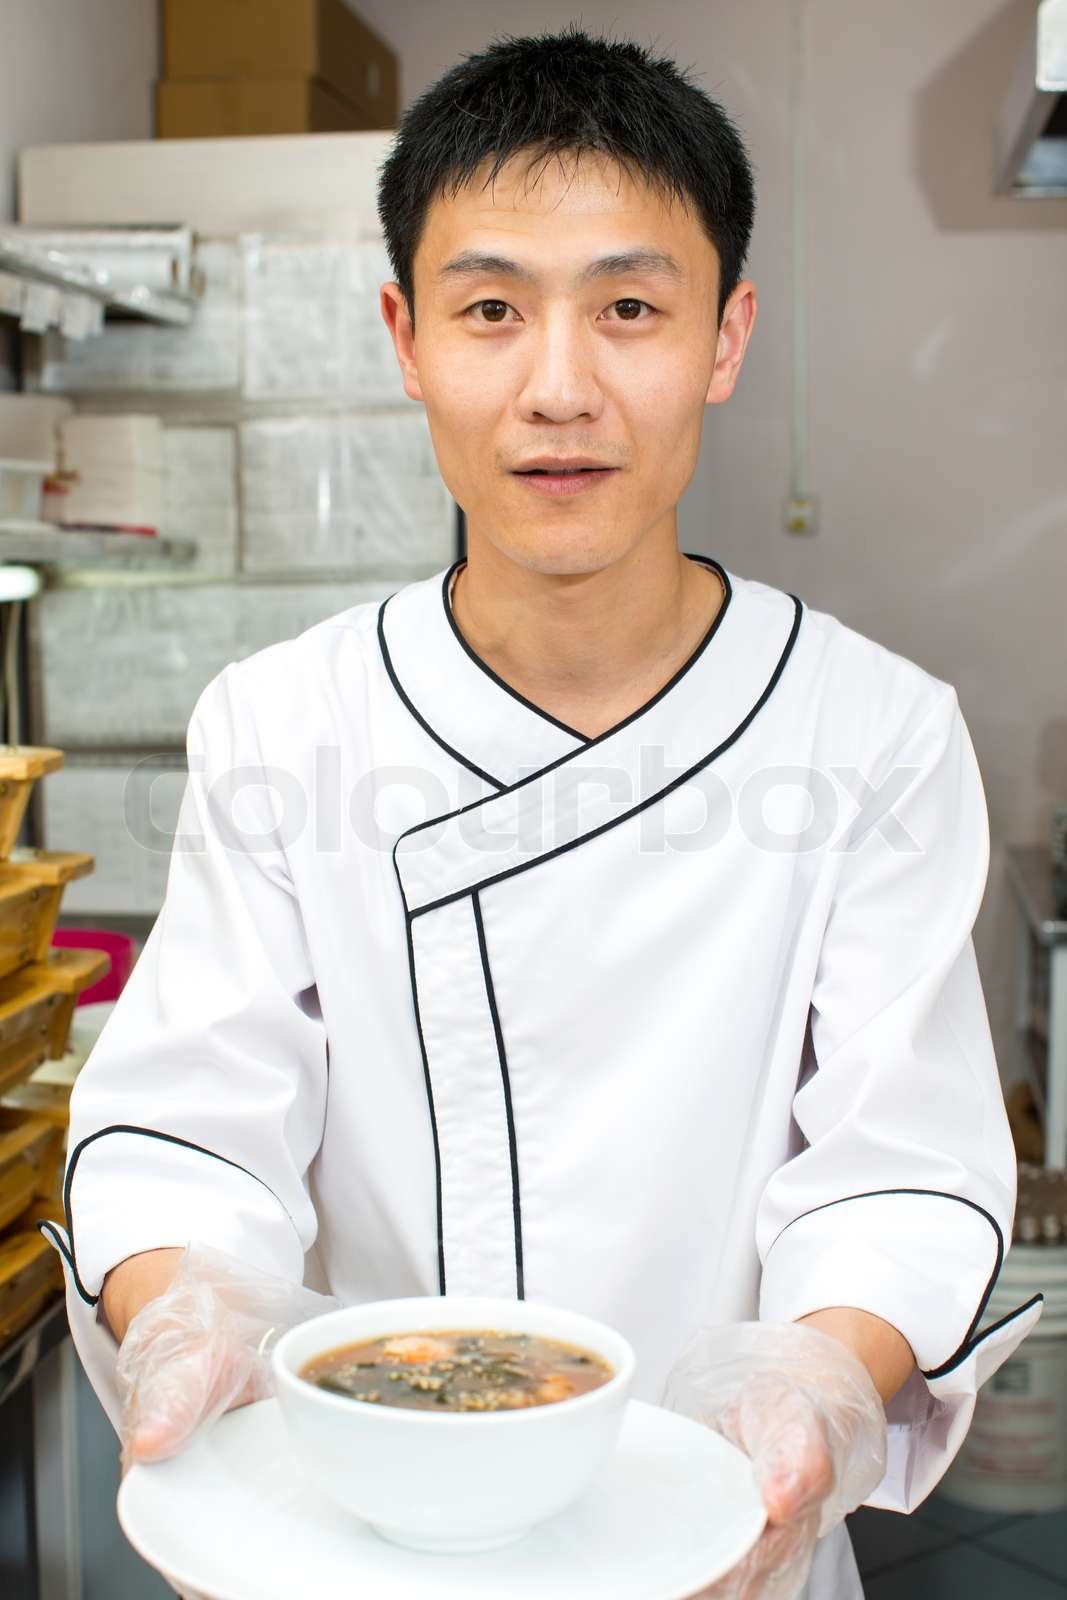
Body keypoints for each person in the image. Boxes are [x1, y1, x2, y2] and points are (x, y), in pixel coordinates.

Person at [46, 25, 1041, 1600]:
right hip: (355, 1537)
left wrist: (811, 1396)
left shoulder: (875, 734)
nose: (560, 388)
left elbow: (898, 1170)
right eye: (493, 310)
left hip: (735, 1529)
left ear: (726, 338)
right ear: (406, 336)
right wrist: (187, 1321)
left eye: (632, 309)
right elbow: (185, 1125)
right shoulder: (286, 720)